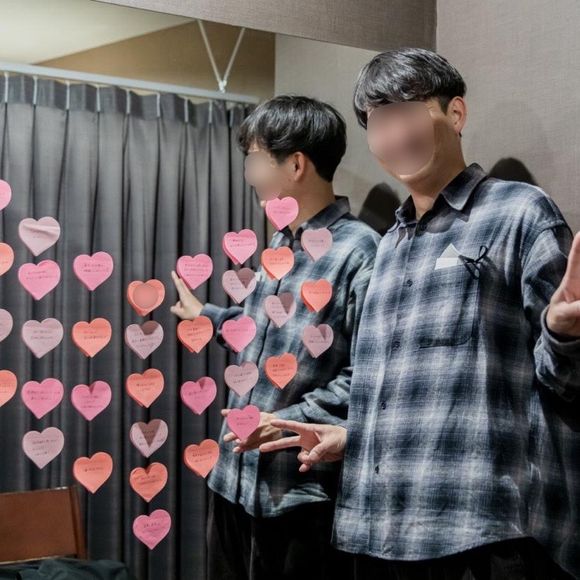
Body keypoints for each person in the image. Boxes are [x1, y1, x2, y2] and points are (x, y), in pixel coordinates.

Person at [261, 49, 580, 580]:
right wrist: (353, 436)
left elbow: (565, 383)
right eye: (378, 121)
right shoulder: (388, 244)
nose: (395, 135)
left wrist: (563, 333)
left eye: (408, 112)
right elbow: (406, 388)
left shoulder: (519, 213)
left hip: (483, 532)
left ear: (455, 113)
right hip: (377, 529)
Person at [171, 95, 380, 580]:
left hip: (299, 496)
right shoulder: (280, 242)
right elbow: (267, 335)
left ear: (296, 164)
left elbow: (369, 376)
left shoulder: (361, 252)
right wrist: (208, 315)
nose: (248, 174)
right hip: (232, 481)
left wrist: (285, 423)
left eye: (254, 159)